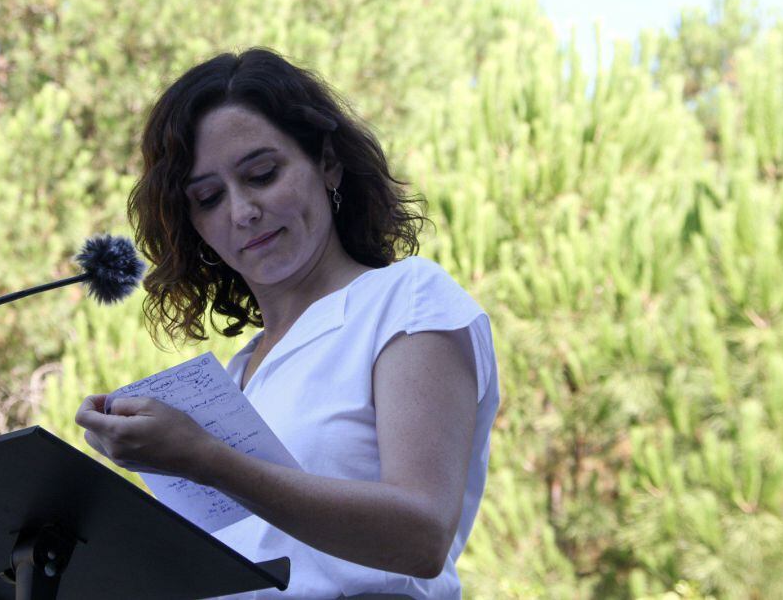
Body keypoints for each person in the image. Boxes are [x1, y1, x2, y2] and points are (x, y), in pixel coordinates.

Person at [75, 48, 500, 599]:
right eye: (207, 198)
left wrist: (205, 459)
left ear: (327, 162)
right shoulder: (238, 374)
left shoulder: (407, 299)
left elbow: (421, 535)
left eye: (262, 174)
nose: (242, 211)